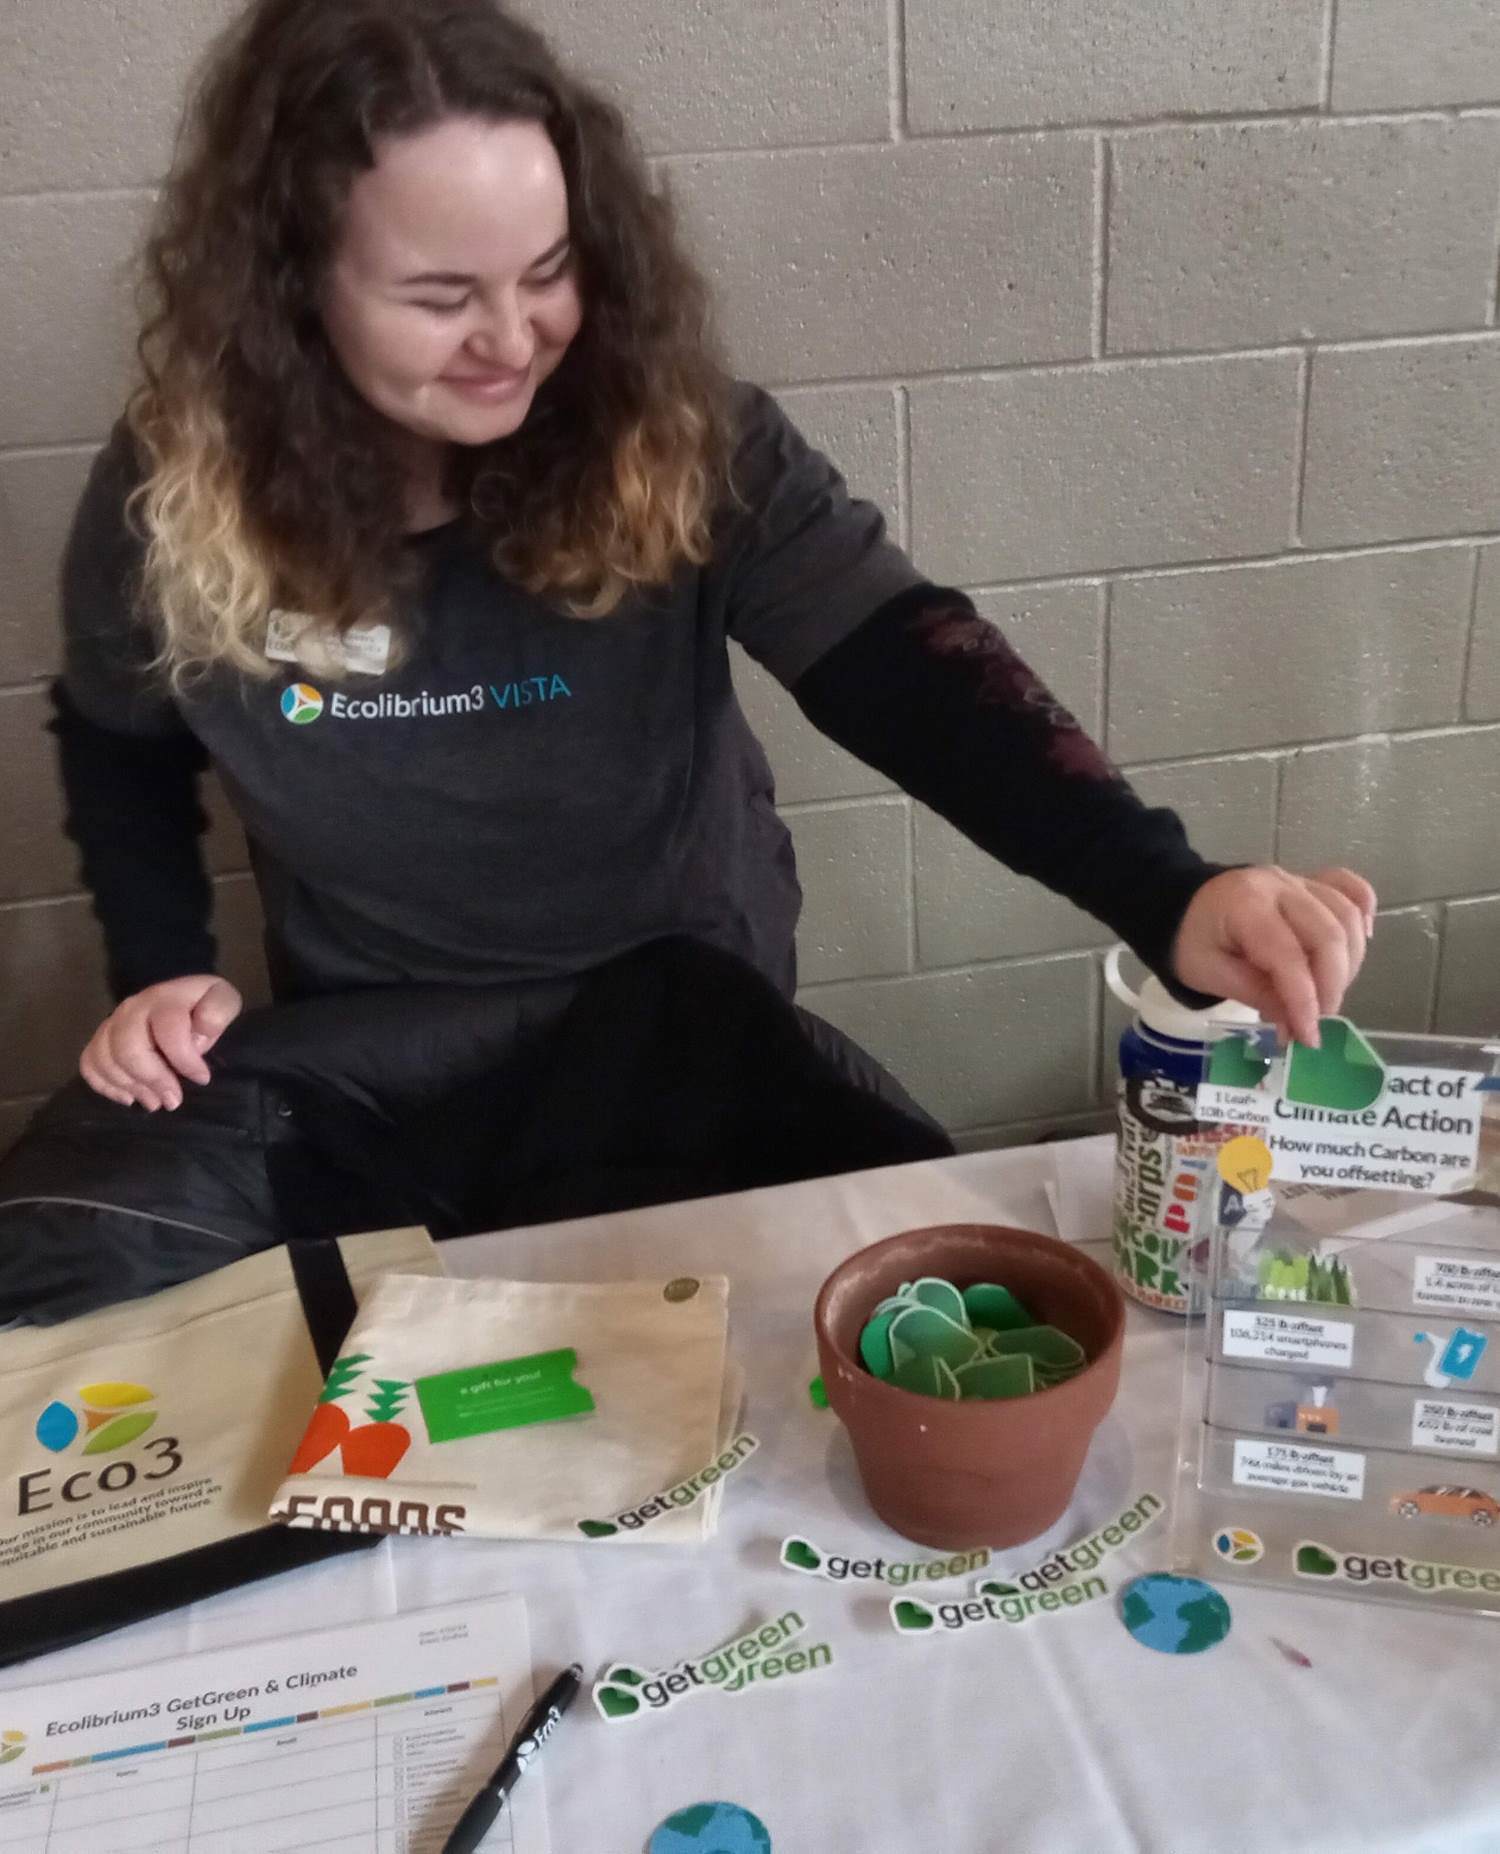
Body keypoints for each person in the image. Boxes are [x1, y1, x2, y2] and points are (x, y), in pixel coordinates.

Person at [55, 0, 1374, 1124]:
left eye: (550, 271)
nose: (513, 338)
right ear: (291, 290)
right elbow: (120, 736)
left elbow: (909, 663)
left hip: (684, 1007)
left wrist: (1166, 887)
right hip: (377, 1055)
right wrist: (159, 967)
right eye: (441, 297)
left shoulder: (677, 433)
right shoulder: (174, 489)